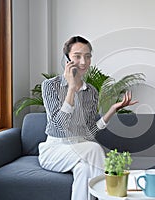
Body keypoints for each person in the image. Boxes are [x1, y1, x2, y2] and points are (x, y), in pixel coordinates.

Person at [38, 36, 137, 200]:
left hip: (81, 149)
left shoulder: (91, 92)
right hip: (55, 150)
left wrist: (111, 111)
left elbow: (90, 133)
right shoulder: (50, 86)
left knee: (85, 170)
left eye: (88, 56)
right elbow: (59, 125)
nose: (83, 62)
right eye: (77, 56)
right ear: (67, 59)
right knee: (94, 149)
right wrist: (70, 89)